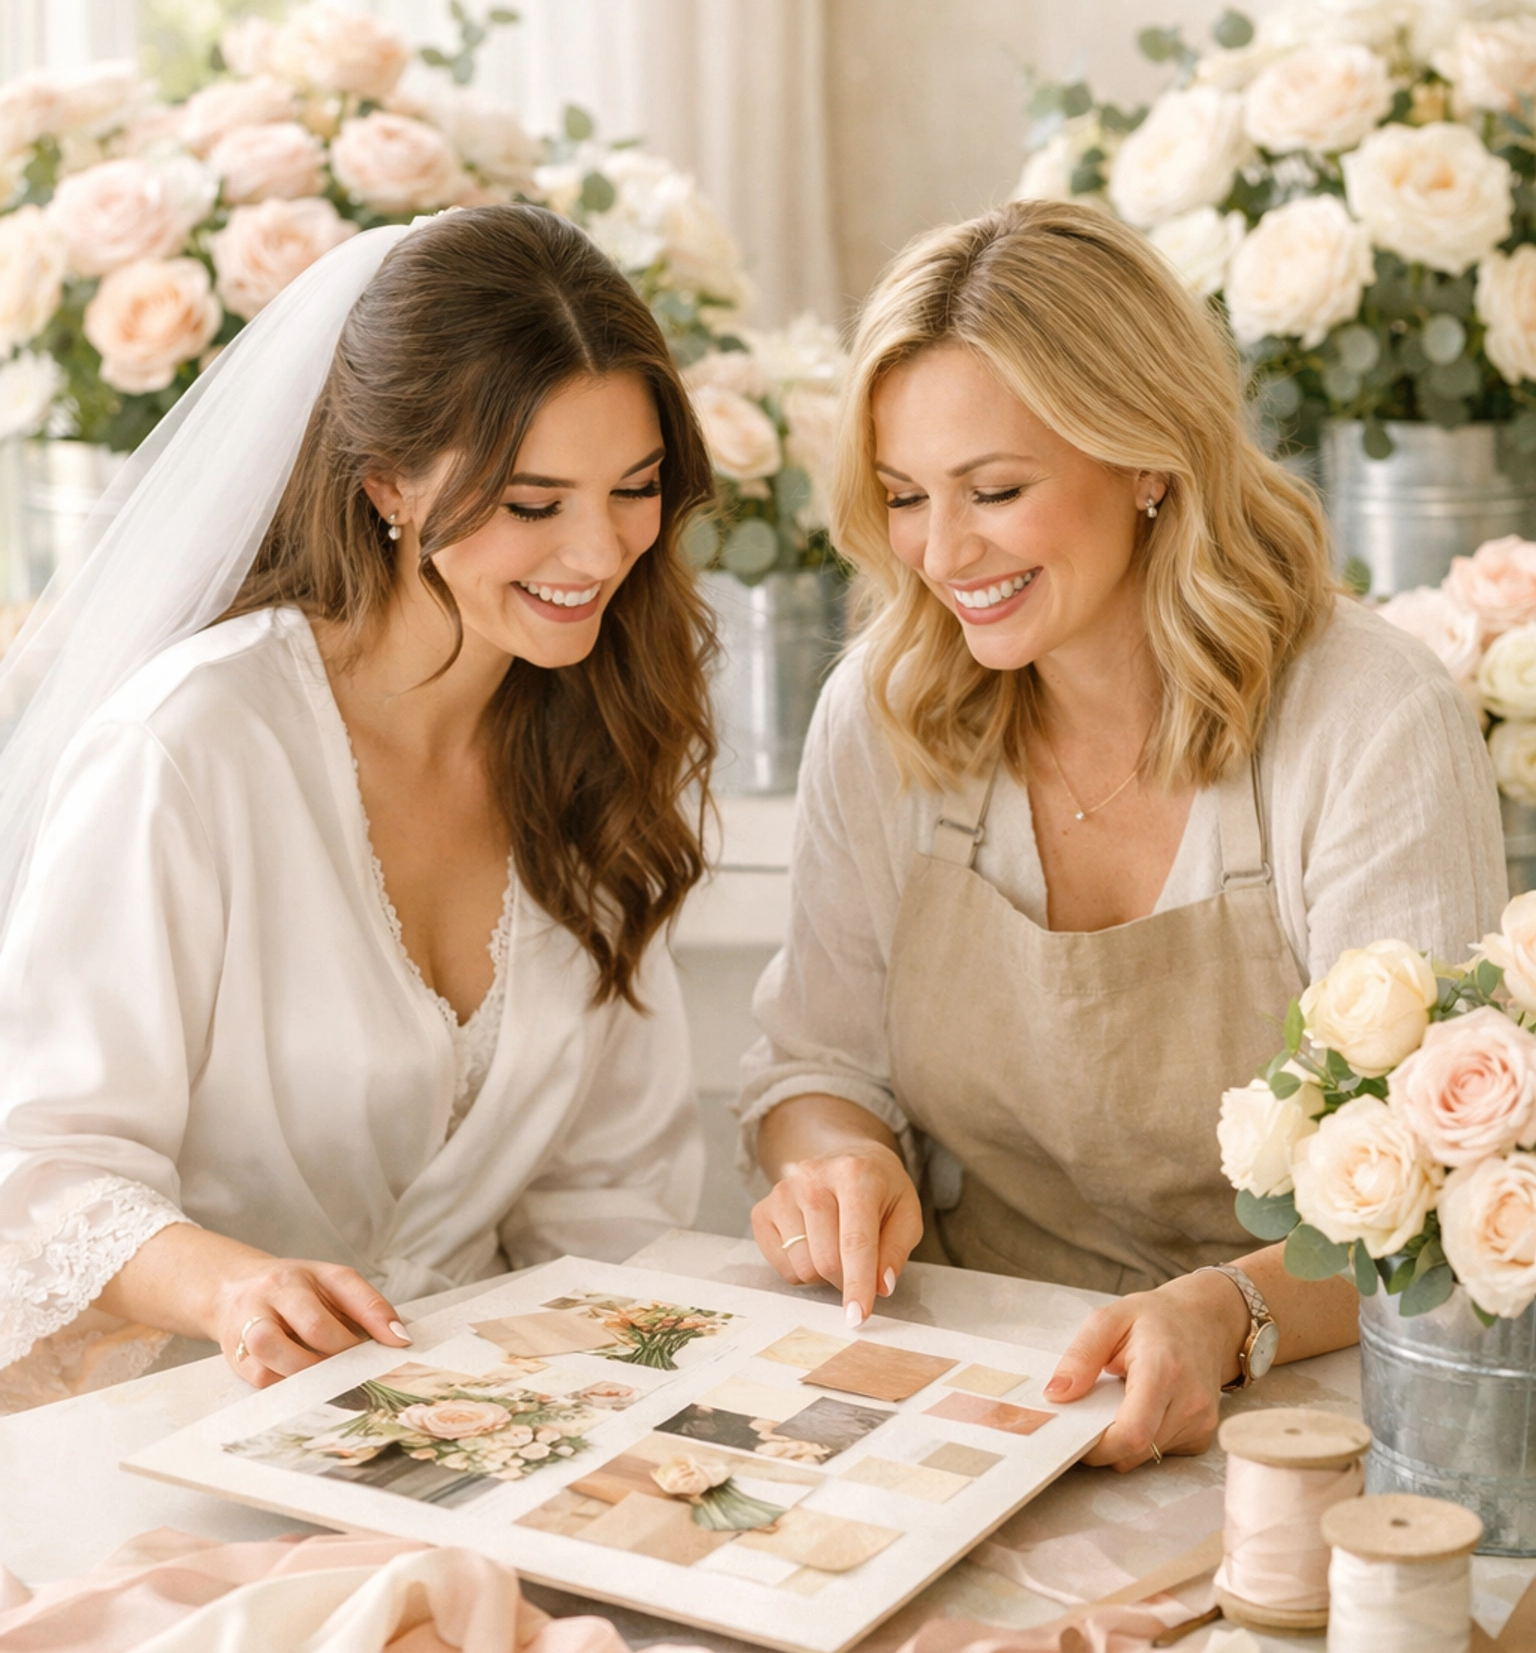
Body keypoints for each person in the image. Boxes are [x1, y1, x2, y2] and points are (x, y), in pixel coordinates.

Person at [740, 197, 1507, 1467]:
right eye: (904, 496)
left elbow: (1437, 1198)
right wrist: (837, 1164)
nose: (941, 552)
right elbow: (814, 1065)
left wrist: (1225, 1312)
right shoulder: (884, 710)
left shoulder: (1366, 719)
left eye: (995, 489)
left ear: (1148, 458)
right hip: (990, 1377)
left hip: (1306, 1394)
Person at [0, 204, 715, 1404]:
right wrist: (235, 1289)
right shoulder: (190, 749)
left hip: (499, 1421)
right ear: (388, 484)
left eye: (634, 488)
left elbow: (609, 1194)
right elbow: (42, 1168)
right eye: (533, 505)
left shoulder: (603, 737)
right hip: (177, 1415)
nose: (597, 552)